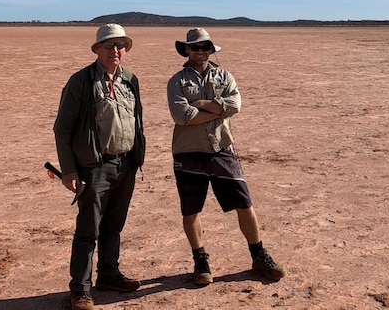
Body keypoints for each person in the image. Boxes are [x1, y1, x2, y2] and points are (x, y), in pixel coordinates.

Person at [167, 27, 286, 285]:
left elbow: (236, 105)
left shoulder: (225, 76)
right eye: (195, 47)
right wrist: (219, 110)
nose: (200, 51)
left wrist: (199, 106)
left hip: (222, 149)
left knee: (244, 204)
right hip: (189, 152)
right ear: (186, 49)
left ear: (211, 49)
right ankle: (200, 262)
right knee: (191, 210)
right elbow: (181, 117)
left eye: (205, 47)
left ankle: (258, 255)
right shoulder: (176, 81)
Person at [53, 24, 146, 310]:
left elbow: (137, 119)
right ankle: (80, 289)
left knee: (113, 226)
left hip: (126, 164)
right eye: (108, 46)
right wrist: (69, 170)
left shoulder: (130, 79)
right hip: (95, 167)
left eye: (120, 46)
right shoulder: (81, 81)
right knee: (88, 230)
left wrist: (136, 158)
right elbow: (62, 128)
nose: (115, 51)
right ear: (97, 49)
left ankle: (109, 274)